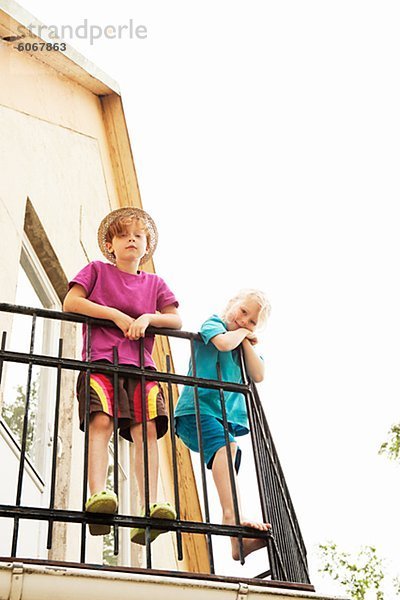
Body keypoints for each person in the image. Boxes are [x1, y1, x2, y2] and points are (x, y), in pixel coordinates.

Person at [63, 206, 181, 544]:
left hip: (142, 370)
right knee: (101, 422)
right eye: (123, 234)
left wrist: (147, 318)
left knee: (147, 431)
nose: (131, 239)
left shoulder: (155, 283)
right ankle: (98, 497)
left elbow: (175, 320)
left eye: (138, 235)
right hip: (101, 361)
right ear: (111, 245)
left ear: (146, 247)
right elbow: (72, 301)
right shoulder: (97, 270)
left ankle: (149, 508)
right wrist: (114, 314)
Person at [174, 289, 271, 560]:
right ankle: (232, 520)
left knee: (229, 456)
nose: (244, 321)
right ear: (231, 304)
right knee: (228, 448)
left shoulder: (242, 342)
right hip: (196, 409)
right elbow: (223, 344)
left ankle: (236, 542)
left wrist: (248, 343)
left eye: (252, 322)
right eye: (243, 312)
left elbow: (259, 374)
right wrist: (243, 334)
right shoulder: (213, 323)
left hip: (220, 417)